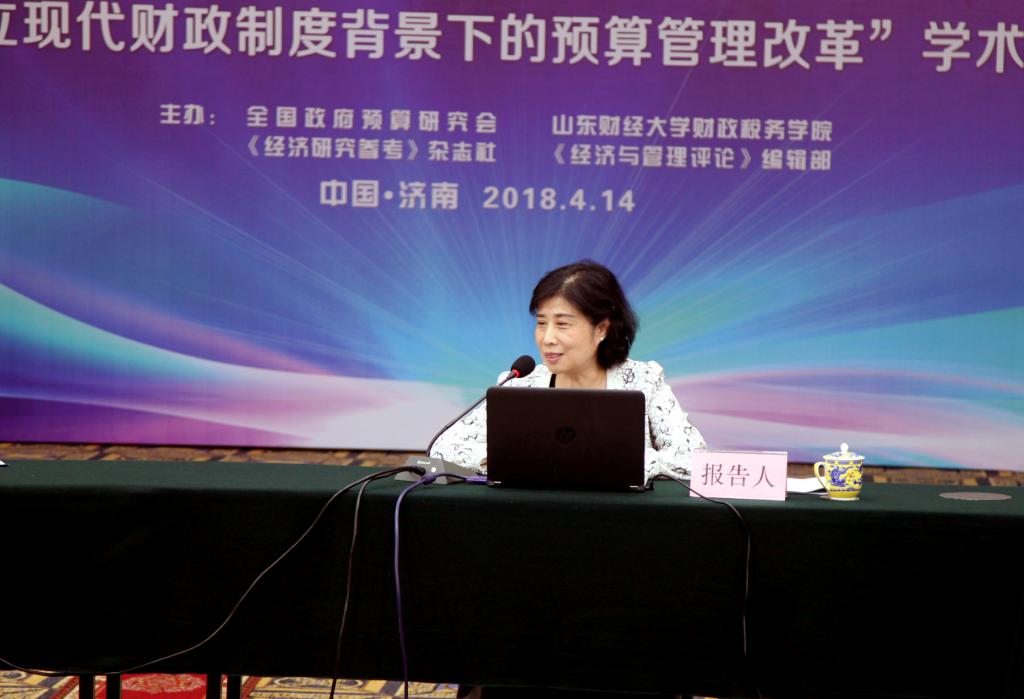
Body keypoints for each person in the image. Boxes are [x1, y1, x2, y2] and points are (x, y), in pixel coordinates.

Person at [430, 260, 706, 481]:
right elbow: (443, 447)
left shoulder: (644, 380)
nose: (547, 338)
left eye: (562, 324)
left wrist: (623, 461)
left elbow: (693, 459)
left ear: (601, 329)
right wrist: (511, 458)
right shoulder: (520, 383)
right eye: (541, 323)